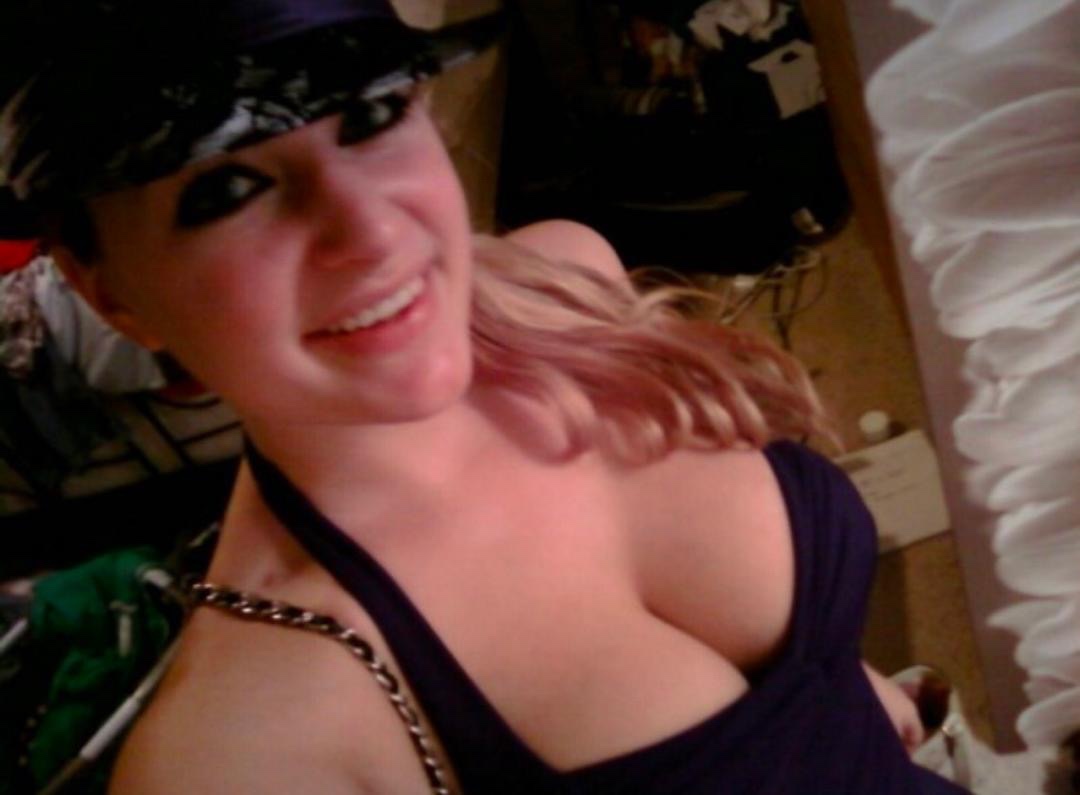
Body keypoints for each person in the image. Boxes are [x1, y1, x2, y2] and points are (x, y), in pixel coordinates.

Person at [0, 1, 962, 793]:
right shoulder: (248, 757)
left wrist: (851, 692)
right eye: (227, 189)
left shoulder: (565, 279)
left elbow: (794, 663)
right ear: (108, 292)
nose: (373, 233)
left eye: (373, 115)